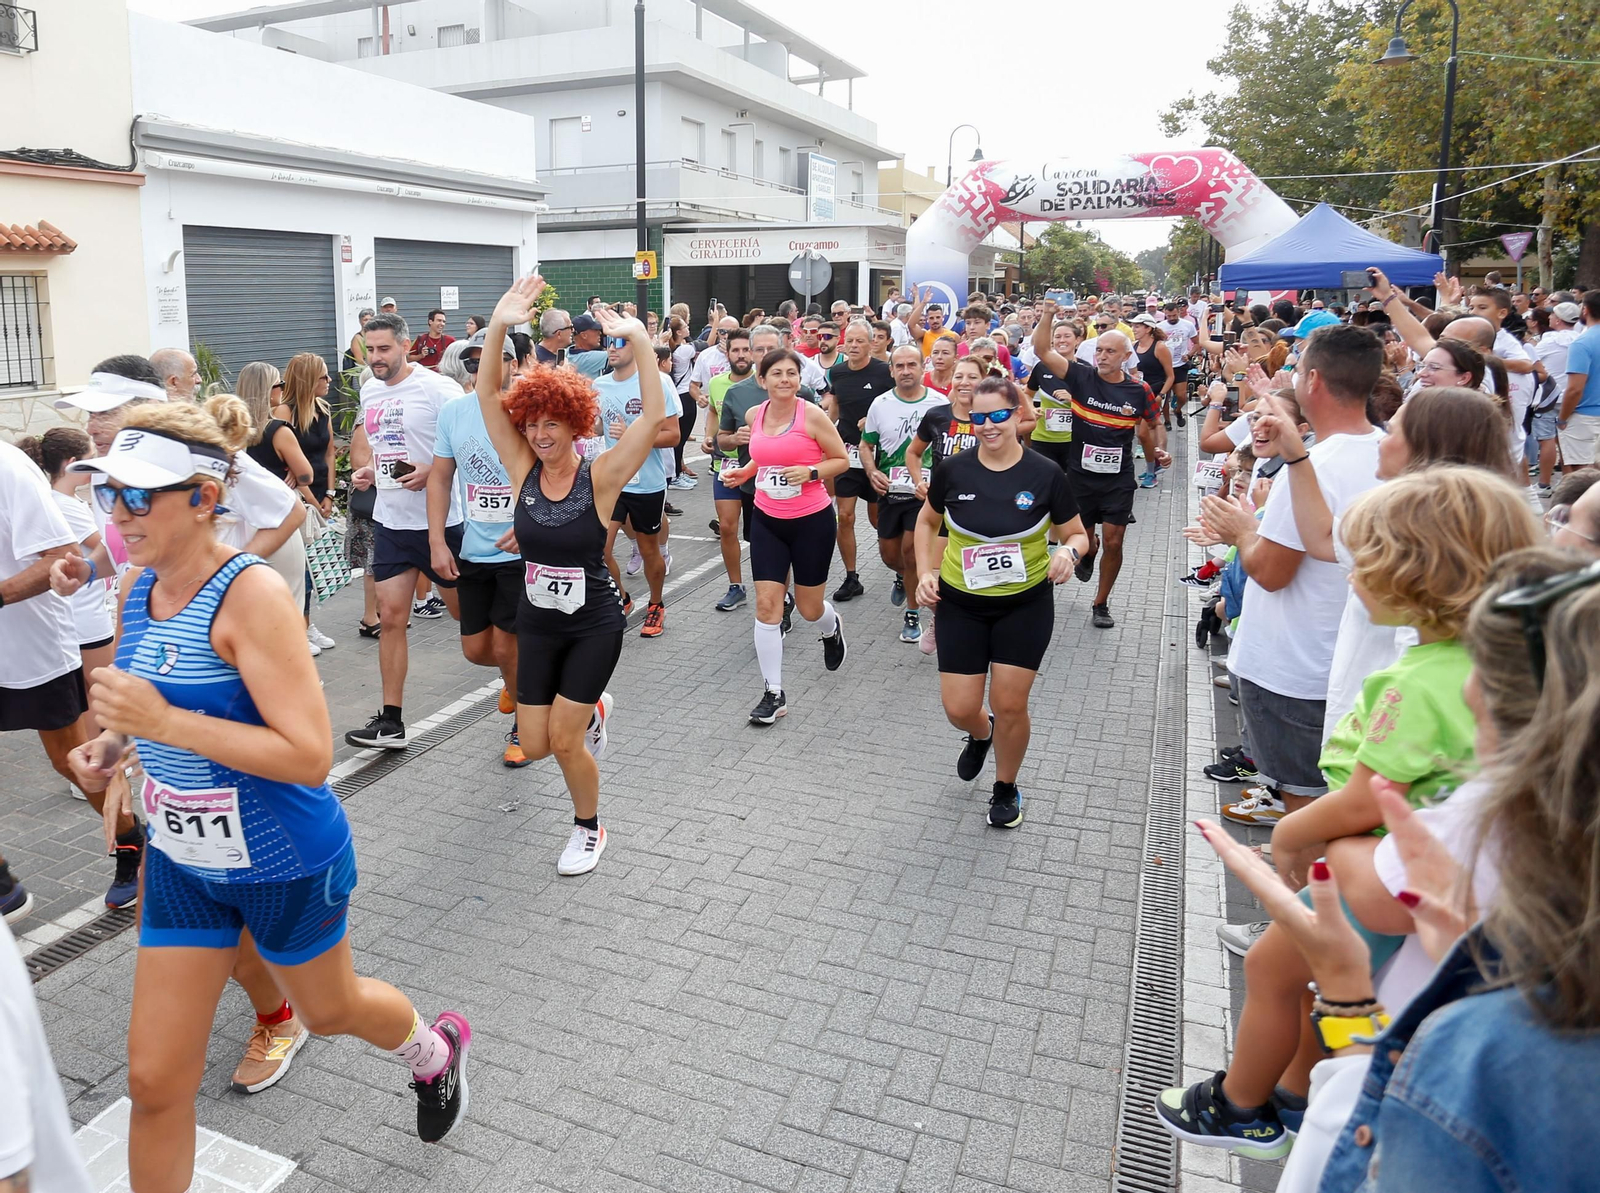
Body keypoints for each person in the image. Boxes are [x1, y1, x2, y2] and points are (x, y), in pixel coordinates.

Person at [58, 403, 472, 1186]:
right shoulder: (137, 586)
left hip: (283, 857)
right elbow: (145, 704)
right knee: (152, 1082)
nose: (120, 513)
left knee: (330, 1010)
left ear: (206, 497)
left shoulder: (250, 595)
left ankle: (434, 1046)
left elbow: (309, 755)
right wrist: (110, 748)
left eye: (141, 496)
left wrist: (162, 719)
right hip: (184, 861)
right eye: (112, 494)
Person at [1182, 546, 1600, 1190]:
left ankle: (1242, 1106)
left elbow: (1387, 1120)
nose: (1469, 688)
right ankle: (1289, 1094)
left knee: (1277, 969)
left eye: (1487, 675)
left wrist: (1348, 990)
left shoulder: (1490, 1048)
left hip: (1378, 1099)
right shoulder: (1527, 846)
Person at [473, 280, 659, 874]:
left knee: (564, 740)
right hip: (539, 622)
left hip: (593, 624)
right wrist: (500, 325)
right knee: (531, 742)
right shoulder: (522, 465)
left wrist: (639, 341)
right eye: (533, 424)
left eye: (554, 424)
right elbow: (486, 396)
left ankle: (589, 829)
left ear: (575, 424)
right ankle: (595, 709)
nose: (541, 434)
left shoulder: (601, 476)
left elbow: (654, 416)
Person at [1193, 324, 1385, 829]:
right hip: (1345, 660)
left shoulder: (1312, 466)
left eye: (1297, 371)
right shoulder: (1387, 451)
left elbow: (1272, 572)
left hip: (1293, 669)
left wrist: (1241, 531)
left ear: (1313, 380)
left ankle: (1301, 900)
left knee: (1303, 817)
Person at [914, 376, 1090, 828]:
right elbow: (927, 520)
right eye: (978, 418)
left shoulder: (1045, 474)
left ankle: (1006, 786)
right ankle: (980, 732)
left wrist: (1068, 553)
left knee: (1011, 703)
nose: (988, 425)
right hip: (961, 604)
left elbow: (1077, 534)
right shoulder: (954, 469)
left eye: (997, 416)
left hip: (1024, 604)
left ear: (1017, 415)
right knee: (958, 708)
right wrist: (925, 572)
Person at [0, 435, 140, 916]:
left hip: (30, 650)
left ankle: (131, 846)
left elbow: (61, 556)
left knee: (74, 762)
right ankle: (2, 883)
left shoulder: (8, 467)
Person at [344, 312, 466, 749]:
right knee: (392, 618)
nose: (376, 358)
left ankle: (522, 691)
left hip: (443, 523)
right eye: (369, 349)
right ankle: (391, 721)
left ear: (405, 345)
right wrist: (371, 473)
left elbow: (472, 446)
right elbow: (387, 448)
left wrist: (432, 469)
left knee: (470, 624)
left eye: (384, 349)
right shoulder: (370, 388)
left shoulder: (438, 389)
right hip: (392, 521)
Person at [715, 348, 850, 725]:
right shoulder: (754, 415)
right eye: (777, 373)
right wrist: (746, 472)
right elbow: (764, 455)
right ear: (763, 380)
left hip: (812, 521)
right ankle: (773, 692)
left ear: (799, 379)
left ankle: (831, 626)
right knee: (767, 606)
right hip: (768, 521)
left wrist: (810, 472)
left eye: (792, 373)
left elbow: (840, 459)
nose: (785, 379)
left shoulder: (813, 415)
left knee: (809, 609)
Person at [1029, 302, 1166, 628]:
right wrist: (1048, 314)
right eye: (1099, 350)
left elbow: (1153, 423)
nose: (1102, 356)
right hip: (1080, 475)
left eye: (1110, 351)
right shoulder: (1080, 377)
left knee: (1116, 540)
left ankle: (1101, 603)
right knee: (1084, 540)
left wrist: (1159, 453)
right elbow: (1041, 350)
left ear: (1125, 356)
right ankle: (1089, 552)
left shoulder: (1139, 390)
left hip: (1118, 479)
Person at [427, 329, 527, 768]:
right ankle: (518, 678)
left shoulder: (530, 409)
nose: (481, 368)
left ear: (512, 363)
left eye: (493, 358)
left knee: (507, 648)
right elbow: (440, 478)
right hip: (474, 549)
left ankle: (525, 723)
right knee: (476, 650)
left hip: (521, 553)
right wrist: (436, 541)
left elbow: (558, 471)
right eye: (473, 361)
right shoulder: (453, 413)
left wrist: (533, 525)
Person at [594, 323, 682, 638]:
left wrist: (632, 435)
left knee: (648, 550)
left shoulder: (656, 382)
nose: (612, 348)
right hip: (612, 481)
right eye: (608, 342)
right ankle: (623, 597)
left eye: (620, 342)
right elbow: (596, 429)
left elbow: (673, 435)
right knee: (596, 547)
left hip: (646, 482)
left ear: (635, 346)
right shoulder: (599, 384)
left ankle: (656, 604)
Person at [860, 345, 949, 644]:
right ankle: (902, 576)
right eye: (900, 366)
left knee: (912, 552)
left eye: (912, 364)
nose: (906, 371)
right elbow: (865, 445)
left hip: (925, 494)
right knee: (890, 555)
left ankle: (913, 613)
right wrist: (872, 471)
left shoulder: (939, 403)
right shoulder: (880, 404)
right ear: (892, 370)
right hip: (891, 492)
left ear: (923, 367)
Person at [906, 356, 986, 656]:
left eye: (972, 377)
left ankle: (975, 626)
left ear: (984, 380)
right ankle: (938, 621)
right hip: (943, 508)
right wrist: (920, 480)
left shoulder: (992, 419)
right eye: (960, 377)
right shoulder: (937, 416)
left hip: (983, 508)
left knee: (974, 573)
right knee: (938, 574)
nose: (965, 383)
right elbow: (914, 453)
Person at [825, 321, 894, 603]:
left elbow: (896, 402)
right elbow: (836, 404)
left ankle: (898, 564)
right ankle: (852, 577)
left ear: (871, 344)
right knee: (846, 516)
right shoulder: (837, 371)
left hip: (878, 455)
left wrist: (876, 421)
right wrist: (824, 428)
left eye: (860, 342)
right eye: (849, 341)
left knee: (878, 518)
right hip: (848, 451)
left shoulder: (882, 372)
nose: (853, 346)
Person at [706, 328, 755, 611]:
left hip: (757, 470)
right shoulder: (716, 383)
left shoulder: (762, 385)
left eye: (745, 350)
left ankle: (773, 584)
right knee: (727, 527)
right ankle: (735, 586)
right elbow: (713, 410)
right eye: (735, 350)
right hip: (724, 464)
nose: (741, 355)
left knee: (760, 531)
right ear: (727, 353)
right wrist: (710, 435)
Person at [1026, 317, 1079, 474]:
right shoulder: (1042, 368)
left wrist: (1073, 399)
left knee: (1071, 488)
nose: (1062, 340)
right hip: (1043, 439)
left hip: (1073, 439)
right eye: (1057, 336)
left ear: (1077, 340)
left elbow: (1094, 404)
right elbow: (1027, 394)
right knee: (1044, 485)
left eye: (1067, 336)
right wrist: (1031, 410)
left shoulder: (1085, 369)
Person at [1557, 290, 1600, 472]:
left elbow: (1575, 389)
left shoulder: (1582, 343)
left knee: (1582, 477)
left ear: (1585, 310)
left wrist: (1562, 418)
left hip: (1585, 417)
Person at [1129, 314, 1174, 487]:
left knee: (1146, 431)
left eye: (1138, 326)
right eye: (1133, 326)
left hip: (1156, 391)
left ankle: (1155, 468)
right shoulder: (1133, 346)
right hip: (1139, 393)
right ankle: (1153, 465)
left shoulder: (1160, 347)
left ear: (1148, 328)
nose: (1134, 329)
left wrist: (1161, 395)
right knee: (1141, 434)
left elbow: (1170, 376)